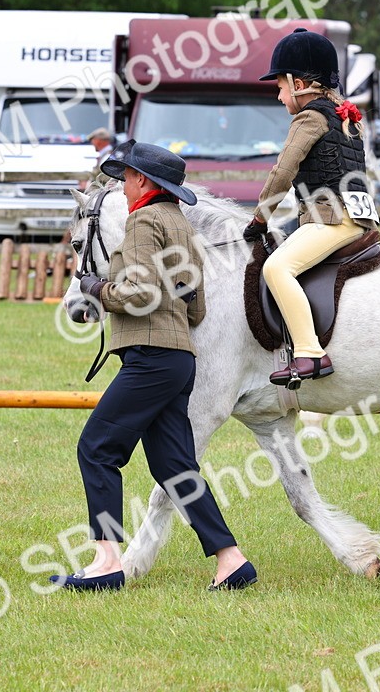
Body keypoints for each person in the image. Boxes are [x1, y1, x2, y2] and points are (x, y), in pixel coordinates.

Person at [53, 142, 256, 592]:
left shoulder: (143, 221)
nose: (122, 186)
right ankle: (230, 559)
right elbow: (197, 305)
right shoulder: (180, 225)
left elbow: (138, 294)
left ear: (142, 181)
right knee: (174, 466)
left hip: (149, 358)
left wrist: (97, 287)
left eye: (125, 177)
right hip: (178, 358)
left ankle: (106, 562)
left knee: (97, 448)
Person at [242, 27, 377, 386]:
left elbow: (282, 171)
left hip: (331, 219)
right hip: (358, 216)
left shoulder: (309, 118)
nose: (279, 96)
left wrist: (260, 217)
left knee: (277, 268)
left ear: (299, 84)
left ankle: (309, 353)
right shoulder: (344, 116)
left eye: (280, 87)